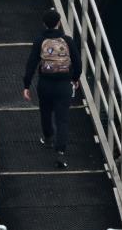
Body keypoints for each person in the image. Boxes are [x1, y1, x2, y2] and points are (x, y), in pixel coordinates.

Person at [23, 9, 82, 169]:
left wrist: (26, 85)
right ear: (59, 22)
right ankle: (60, 153)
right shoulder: (67, 40)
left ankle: (48, 138)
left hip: (45, 84)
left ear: (44, 24)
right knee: (62, 119)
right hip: (64, 85)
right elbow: (77, 63)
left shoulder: (40, 40)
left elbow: (31, 64)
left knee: (45, 112)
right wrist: (75, 78)